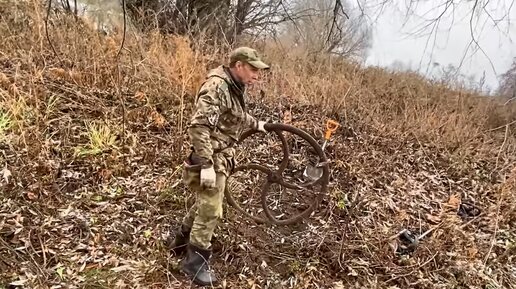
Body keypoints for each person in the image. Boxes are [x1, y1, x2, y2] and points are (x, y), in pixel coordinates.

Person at [166, 46, 270, 286]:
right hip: (210, 157)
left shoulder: (234, 87)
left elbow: (235, 115)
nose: (257, 75)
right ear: (239, 66)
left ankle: (179, 243)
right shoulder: (216, 86)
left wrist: (257, 124)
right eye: (253, 69)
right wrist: (206, 165)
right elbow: (198, 127)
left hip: (221, 154)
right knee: (212, 209)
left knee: (206, 203)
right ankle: (195, 263)